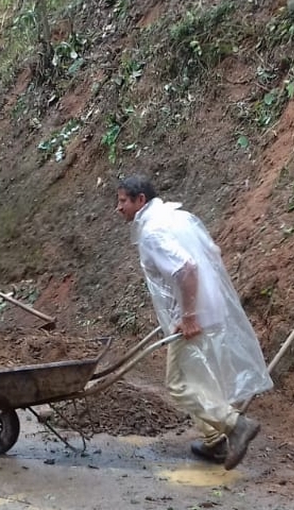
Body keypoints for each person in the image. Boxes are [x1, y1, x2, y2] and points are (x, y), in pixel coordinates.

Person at [116, 175, 273, 470]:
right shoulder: (179, 217)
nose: (119, 207)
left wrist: (188, 315)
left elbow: (187, 269)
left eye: (123, 200)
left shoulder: (152, 232)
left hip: (194, 314)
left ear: (140, 200)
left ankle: (235, 425)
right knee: (199, 377)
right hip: (210, 305)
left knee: (178, 384)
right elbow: (212, 253)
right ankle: (215, 441)